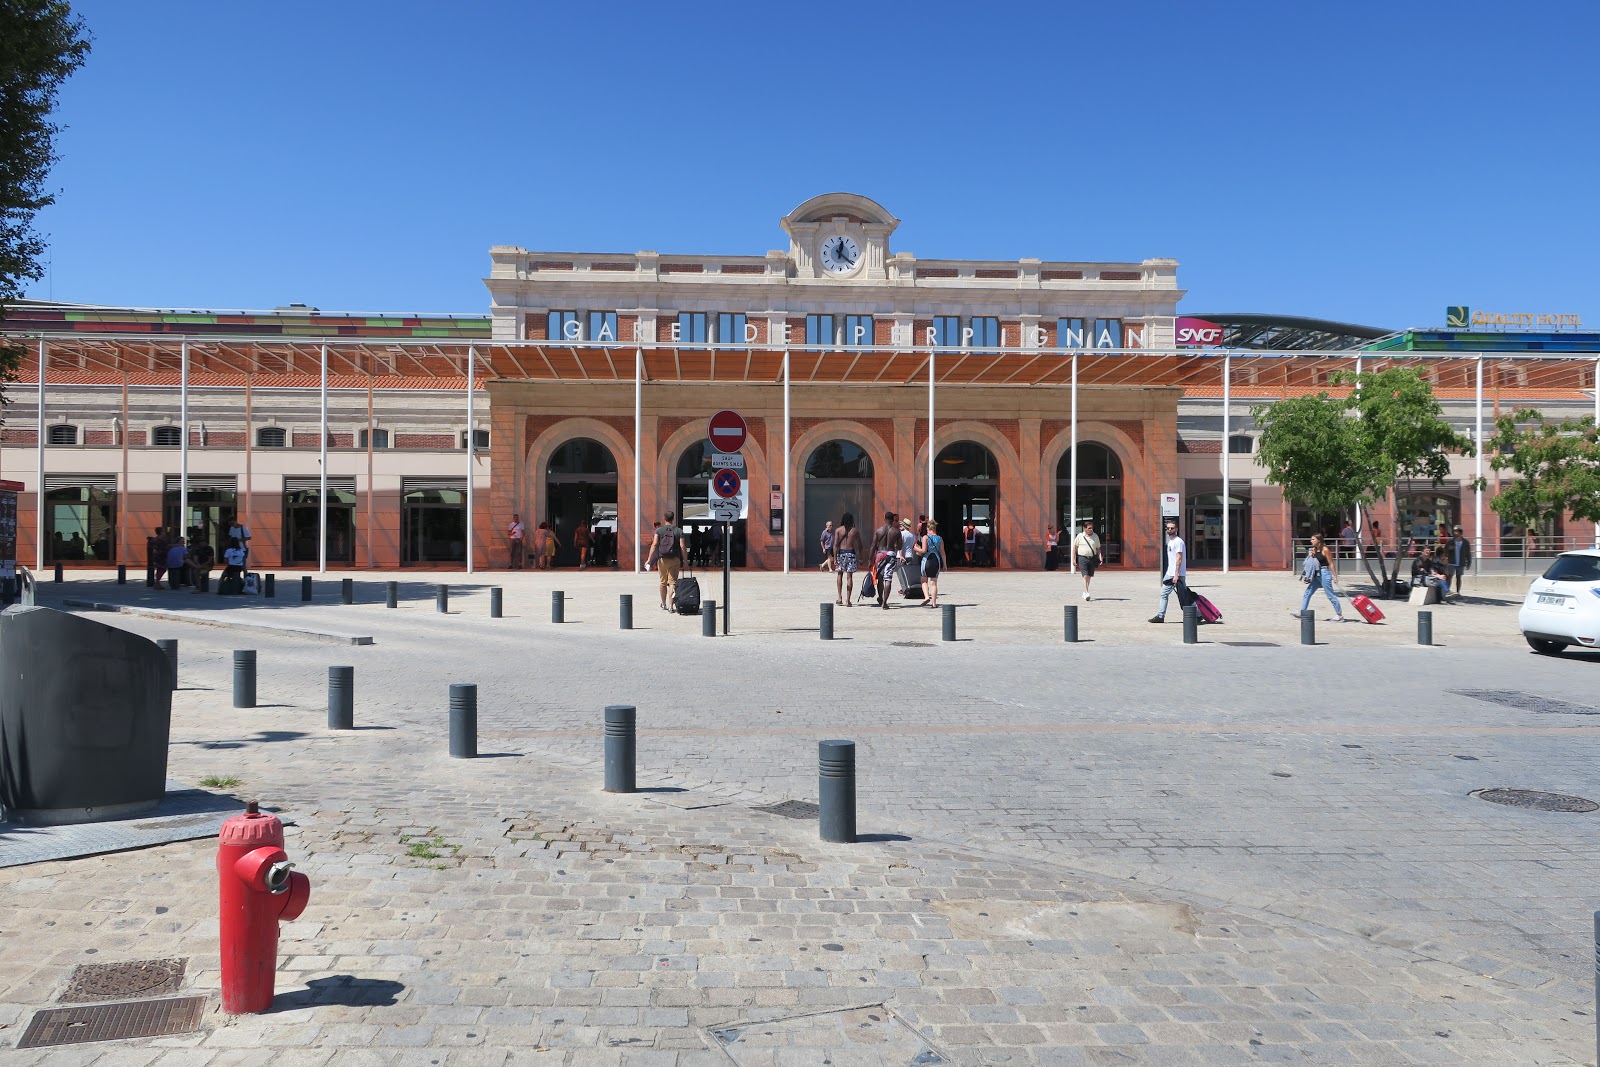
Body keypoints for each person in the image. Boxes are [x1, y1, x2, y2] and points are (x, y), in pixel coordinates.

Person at [1298, 534, 1346, 621]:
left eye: (1313, 539)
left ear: (1318, 540)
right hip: (1316, 574)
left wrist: (1335, 576)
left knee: (1330, 595)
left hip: (1324, 573)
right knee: (1308, 592)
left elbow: (1331, 563)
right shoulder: (1314, 550)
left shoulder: (1325, 549)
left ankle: (1339, 615)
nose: (1311, 541)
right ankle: (1303, 611)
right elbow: (1311, 563)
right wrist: (1311, 555)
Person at [1149, 519, 1188, 623]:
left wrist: (1176, 575)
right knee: (1171, 594)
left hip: (1176, 574)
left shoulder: (1178, 542)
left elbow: (1179, 559)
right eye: (1168, 528)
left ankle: (1195, 614)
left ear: (1177, 529)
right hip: (1169, 573)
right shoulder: (1171, 541)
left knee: (1183, 595)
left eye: (1172, 528)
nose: (1170, 530)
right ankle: (1161, 616)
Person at [647, 511, 685, 610]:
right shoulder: (679, 531)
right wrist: (685, 560)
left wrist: (649, 559)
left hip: (662, 559)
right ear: (673, 518)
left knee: (663, 582)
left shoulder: (659, 531)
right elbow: (682, 546)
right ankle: (671, 606)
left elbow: (654, 544)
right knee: (672, 583)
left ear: (664, 518)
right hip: (675, 559)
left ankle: (663, 604)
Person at [869, 511, 900, 609]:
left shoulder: (879, 531)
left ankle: (880, 597)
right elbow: (900, 546)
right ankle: (885, 602)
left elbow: (873, 546)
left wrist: (870, 559)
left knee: (880, 577)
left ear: (884, 519)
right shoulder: (896, 531)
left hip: (880, 555)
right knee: (888, 578)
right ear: (892, 520)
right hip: (890, 554)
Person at [833, 512, 862, 605]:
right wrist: (861, 557)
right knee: (849, 577)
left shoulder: (838, 530)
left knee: (839, 574)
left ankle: (839, 597)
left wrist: (834, 558)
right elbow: (860, 545)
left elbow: (835, 545)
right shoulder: (855, 531)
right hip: (851, 553)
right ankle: (848, 600)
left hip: (841, 553)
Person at [1072, 519, 1102, 601]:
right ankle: (1086, 592)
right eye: (1089, 528)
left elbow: (1098, 548)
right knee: (1085, 575)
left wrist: (1100, 557)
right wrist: (1073, 559)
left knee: (1089, 576)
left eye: (1091, 528)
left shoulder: (1095, 536)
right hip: (1082, 558)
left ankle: (1084, 592)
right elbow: (1075, 548)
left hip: (1092, 558)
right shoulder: (1080, 536)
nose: (1091, 529)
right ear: (1084, 528)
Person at [917, 518, 944, 607]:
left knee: (924, 580)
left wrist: (916, 548)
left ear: (928, 529)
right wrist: (945, 564)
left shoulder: (925, 537)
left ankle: (926, 597)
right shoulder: (940, 538)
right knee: (934, 583)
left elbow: (923, 550)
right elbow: (942, 552)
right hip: (936, 560)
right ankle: (934, 603)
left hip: (927, 560)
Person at [1445, 525, 1472, 596]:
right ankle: (1447, 591)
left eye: (1456, 531)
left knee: (1459, 577)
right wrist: (1449, 549)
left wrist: (1469, 563)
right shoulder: (1450, 541)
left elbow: (1468, 553)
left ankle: (1458, 592)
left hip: (1460, 562)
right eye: (1454, 531)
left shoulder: (1465, 542)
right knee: (1449, 576)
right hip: (1451, 562)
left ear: (1460, 532)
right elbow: (1445, 550)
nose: (1455, 533)